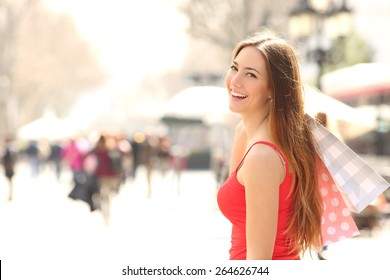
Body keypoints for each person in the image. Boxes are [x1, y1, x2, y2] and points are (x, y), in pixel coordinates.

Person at [217, 33, 323, 260]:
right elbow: (240, 229)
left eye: (251, 75)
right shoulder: (244, 133)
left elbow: (260, 264)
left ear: (273, 90)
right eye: (234, 68)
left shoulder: (262, 156)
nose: (235, 81)